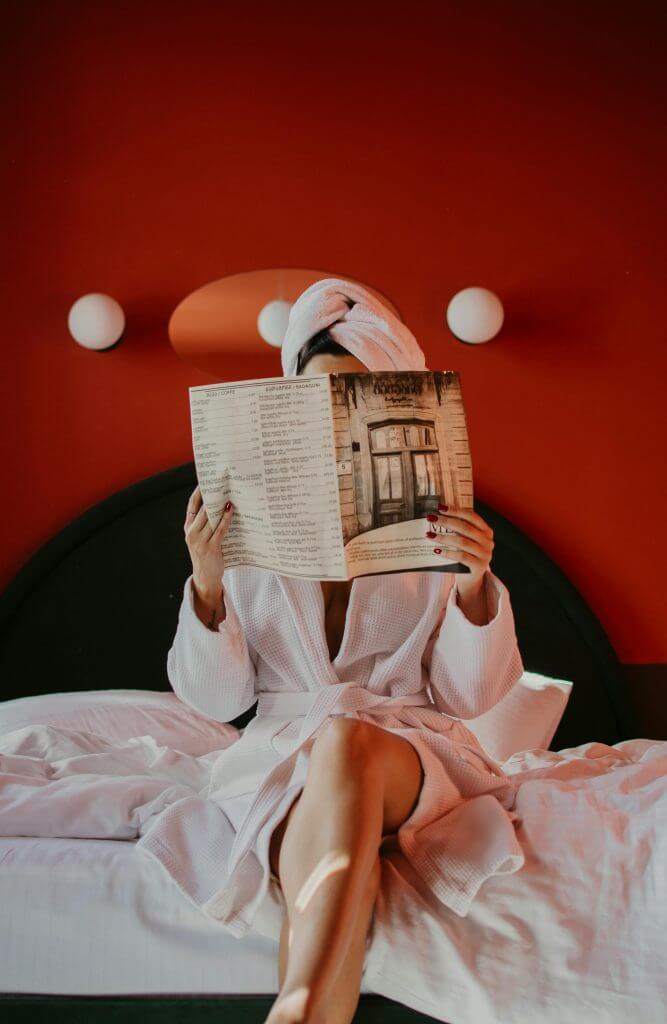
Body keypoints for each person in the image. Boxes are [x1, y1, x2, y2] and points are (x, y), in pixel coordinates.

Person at [161, 279, 526, 1024]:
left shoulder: (432, 529)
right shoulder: (246, 534)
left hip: (399, 751)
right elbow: (217, 703)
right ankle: (304, 1013)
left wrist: (471, 585)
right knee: (325, 799)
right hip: (281, 755)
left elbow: (468, 699)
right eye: (314, 408)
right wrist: (207, 585)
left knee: (347, 744)